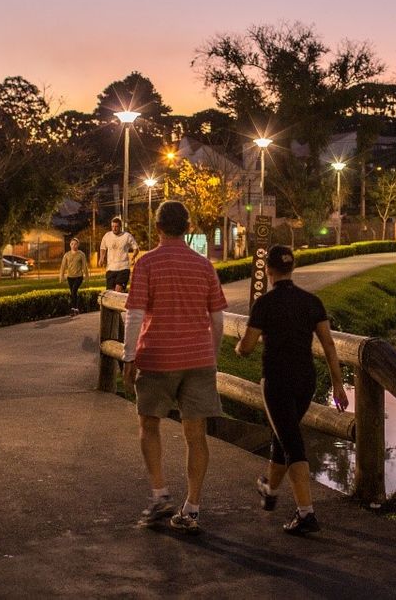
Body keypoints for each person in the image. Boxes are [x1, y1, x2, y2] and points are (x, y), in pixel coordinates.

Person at [123, 200, 227, 535]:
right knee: (195, 435)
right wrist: (210, 354)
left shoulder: (146, 263)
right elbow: (218, 318)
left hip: (157, 358)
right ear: (188, 227)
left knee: (149, 424)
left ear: (157, 227)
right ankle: (192, 507)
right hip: (198, 359)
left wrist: (128, 358)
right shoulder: (203, 265)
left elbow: (135, 315)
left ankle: (159, 494)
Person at [235, 245, 348, 535]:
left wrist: (238, 345)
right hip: (306, 380)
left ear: (269, 270)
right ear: (293, 267)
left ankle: (306, 513)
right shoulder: (312, 302)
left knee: (292, 443)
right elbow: (329, 344)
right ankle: (270, 492)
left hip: (277, 381)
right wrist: (337, 384)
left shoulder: (265, 304)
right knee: (283, 434)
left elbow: (246, 348)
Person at [99, 216, 139, 292]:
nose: (114, 228)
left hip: (123, 268)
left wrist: (133, 257)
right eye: (113, 226)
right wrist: (101, 258)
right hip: (110, 268)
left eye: (116, 226)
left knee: (118, 291)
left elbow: (136, 248)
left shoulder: (127, 236)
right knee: (110, 294)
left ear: (120, 227)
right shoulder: (107, 236)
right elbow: (103, 248)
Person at [58, 237, 88, 314]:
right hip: (70, 277)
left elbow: (85, 266)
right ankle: (76, 309)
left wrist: (86, 276)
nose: (73, 245)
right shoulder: (66, 255)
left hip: (78, 277)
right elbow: (63, 266)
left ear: (78, 245)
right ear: (70, 245)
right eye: (72, 244)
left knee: (74, 291)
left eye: (75, 244)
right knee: (73, 293)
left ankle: (73, 308)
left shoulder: (81, 254)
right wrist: (61, 276)